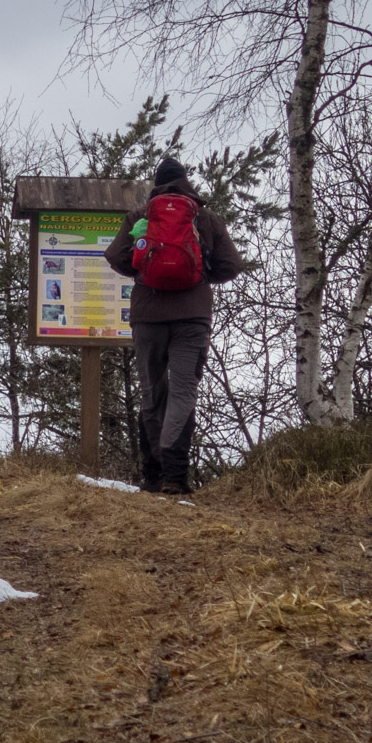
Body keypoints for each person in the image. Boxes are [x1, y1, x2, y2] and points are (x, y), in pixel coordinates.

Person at [104, 156, 256, 494]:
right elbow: (232, 264)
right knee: (183, 391)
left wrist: (143, 274)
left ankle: (152, 475)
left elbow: (115, 256)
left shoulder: (141, 216)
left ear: (156, 183)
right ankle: (175, 477)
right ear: (186, 181)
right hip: (192, 317)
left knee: (151, 391)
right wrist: (200, 278)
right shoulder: (205, 217)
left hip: (148, 316)